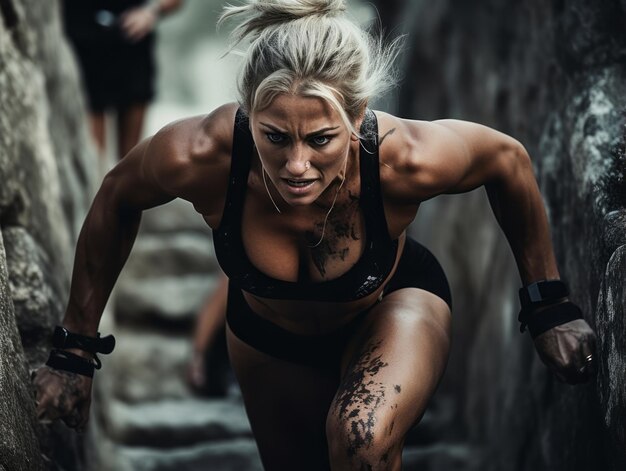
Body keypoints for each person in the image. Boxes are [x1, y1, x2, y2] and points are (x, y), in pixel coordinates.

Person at [35, 0, 597, 469]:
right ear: (248, 112)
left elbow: (508, 161)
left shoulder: (404, 159)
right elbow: (117, 195)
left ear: (357, 117)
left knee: (361, 437)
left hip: (391, 303)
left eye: (322, 139)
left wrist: (548, 306)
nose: (297, 165)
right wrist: (75, 353)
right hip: (266, 337)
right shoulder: (203, 155)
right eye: (275, 136)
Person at [62, 0, 183, 162]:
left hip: (133, 43)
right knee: (95, 159)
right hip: (82, 44)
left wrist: (151, 11)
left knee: (130, 158)